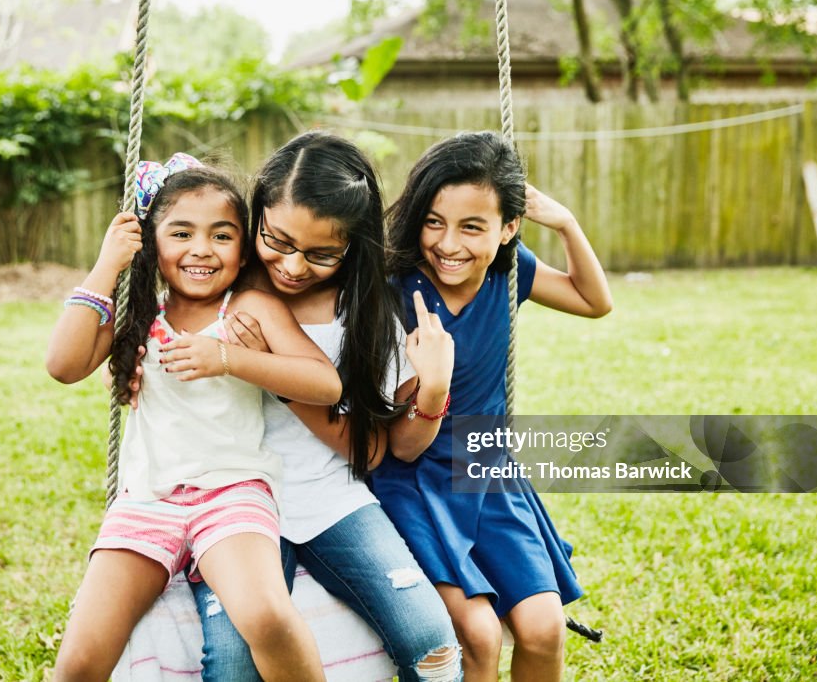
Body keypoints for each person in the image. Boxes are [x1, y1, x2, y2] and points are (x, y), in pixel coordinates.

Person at [117, 133, 462, 682]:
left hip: (328, 497)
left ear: (352, 246)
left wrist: (268, 371)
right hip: (228, 501)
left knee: (432, 643)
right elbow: (148, 307)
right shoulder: (221, 291)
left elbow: (372, 451)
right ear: (255, 221)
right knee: (232, 665)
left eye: (321, 253)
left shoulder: (363, 314)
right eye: (276, 240)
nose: (294, 266)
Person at [45, 153, 342, 682]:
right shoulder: (140, 314)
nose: (201, 249)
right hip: (148, 499)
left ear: (243, 244)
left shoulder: (249, 307)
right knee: (81, 660)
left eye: (222, 236)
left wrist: (229, 359)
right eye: (181, 233)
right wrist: (106, 265)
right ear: (151, 242)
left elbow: (326, 385)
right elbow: (63, 366)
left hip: (232, 492)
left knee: (267, 616)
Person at [374, 131, 612, 682]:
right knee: (478, 636)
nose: (448, 243)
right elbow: (394, 434)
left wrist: (566, 223)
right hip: (413, 478)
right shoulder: (392, 286)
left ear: (508, 228)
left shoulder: (509, 272)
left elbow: (594, 301)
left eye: (472, 226)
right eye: (433, 221)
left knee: (545, 626)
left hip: (488, 471)